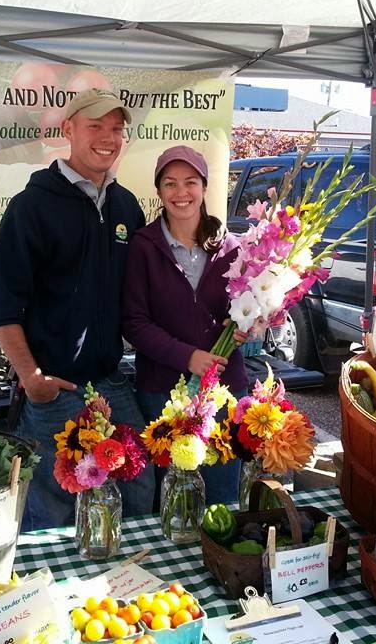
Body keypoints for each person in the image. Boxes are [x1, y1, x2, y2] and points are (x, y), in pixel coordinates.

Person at [0, 88, 154, 530]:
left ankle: (130, 585)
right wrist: (32, 379)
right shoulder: (30, 208)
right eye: (95, 126)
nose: (107, 137)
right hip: (53, 387)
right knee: (52, 504)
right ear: (68, 129)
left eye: (116, 128)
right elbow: (2, 304)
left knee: (138, 482)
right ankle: (53, 592)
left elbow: (149, 286)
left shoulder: (125, 205)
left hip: (110, 381)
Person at [122, 145, 248, 505]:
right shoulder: (143, 247)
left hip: (223, 390)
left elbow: (242, 311)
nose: (181, 193)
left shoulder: (231, 247)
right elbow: (134, 323)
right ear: (159, 191)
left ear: (205, 188)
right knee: (171, 496)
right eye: (171, 184)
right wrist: (188, 357)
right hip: (162, 391)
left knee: (222, 497)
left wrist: (246, 326)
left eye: (190, 182)